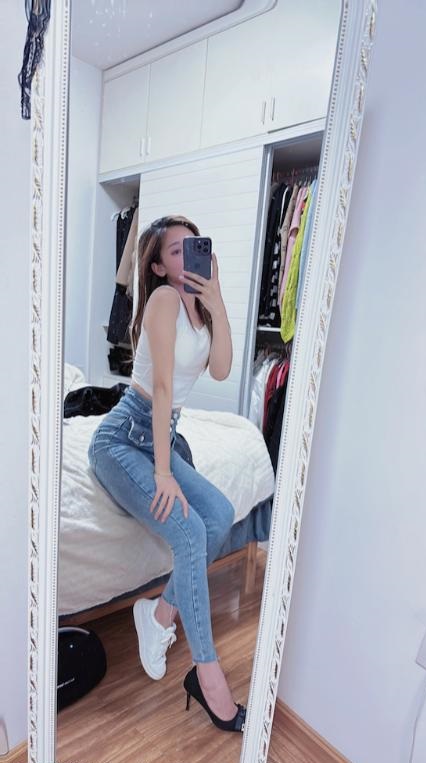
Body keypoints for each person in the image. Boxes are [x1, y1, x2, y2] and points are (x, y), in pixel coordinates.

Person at [88, 215, 246, 733]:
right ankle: (208, 676)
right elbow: (159, 386)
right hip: (123, 435)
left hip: (162, 430)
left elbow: (221, 368)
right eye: (175, 251)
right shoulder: (162, 301)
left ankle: (158, 615)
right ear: (157, 266)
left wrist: (217, 301)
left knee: (220, 514)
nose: (187, 256)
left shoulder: (200, 307)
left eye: (192, 246)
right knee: (191, 532)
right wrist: (162, 472)